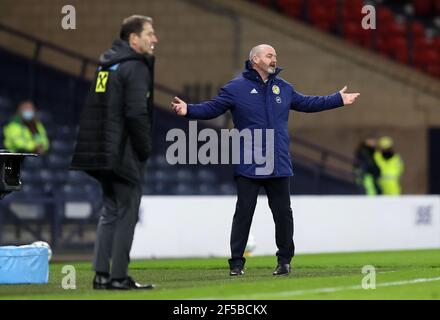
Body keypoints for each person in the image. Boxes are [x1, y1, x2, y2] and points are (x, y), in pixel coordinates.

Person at [172, 44, 360, 276]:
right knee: (244, 212)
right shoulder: (235, 88)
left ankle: (284, 261)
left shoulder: (284, 88)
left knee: (283, 213)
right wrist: (188, 110)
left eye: (275, 56)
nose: (274, 59)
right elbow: (212, 108)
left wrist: (337, 99)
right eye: (269, 55)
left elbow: (309, 103)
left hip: (279, 160)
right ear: (255, 60)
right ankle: (237, 263)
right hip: (248, 160)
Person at [71, 15, 158, 290]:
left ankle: (101, 275)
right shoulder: (136, 67)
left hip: (100, 150)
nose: (154, 39)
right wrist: (144, 149)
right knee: (127, 212)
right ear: (134, 39)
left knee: (109, 211)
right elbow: (135, 113)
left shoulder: (106, 65)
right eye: (149, 34)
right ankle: (119, 276)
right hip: (123, 151)